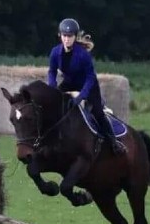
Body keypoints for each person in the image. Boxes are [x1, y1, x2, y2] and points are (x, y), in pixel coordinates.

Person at [47, 17, 125, 154]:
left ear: (75, 37)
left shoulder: (83, 55)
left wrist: (82, 96)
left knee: (98, 113)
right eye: (64, 36)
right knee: (52, 103)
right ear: (60, 36)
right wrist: (52, 87)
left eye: (70, 36)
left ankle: (114, 142)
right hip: (69, 82)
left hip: (88, 84)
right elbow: (52, 71)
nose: (67, 39)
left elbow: (90, 77)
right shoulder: (55, 52)